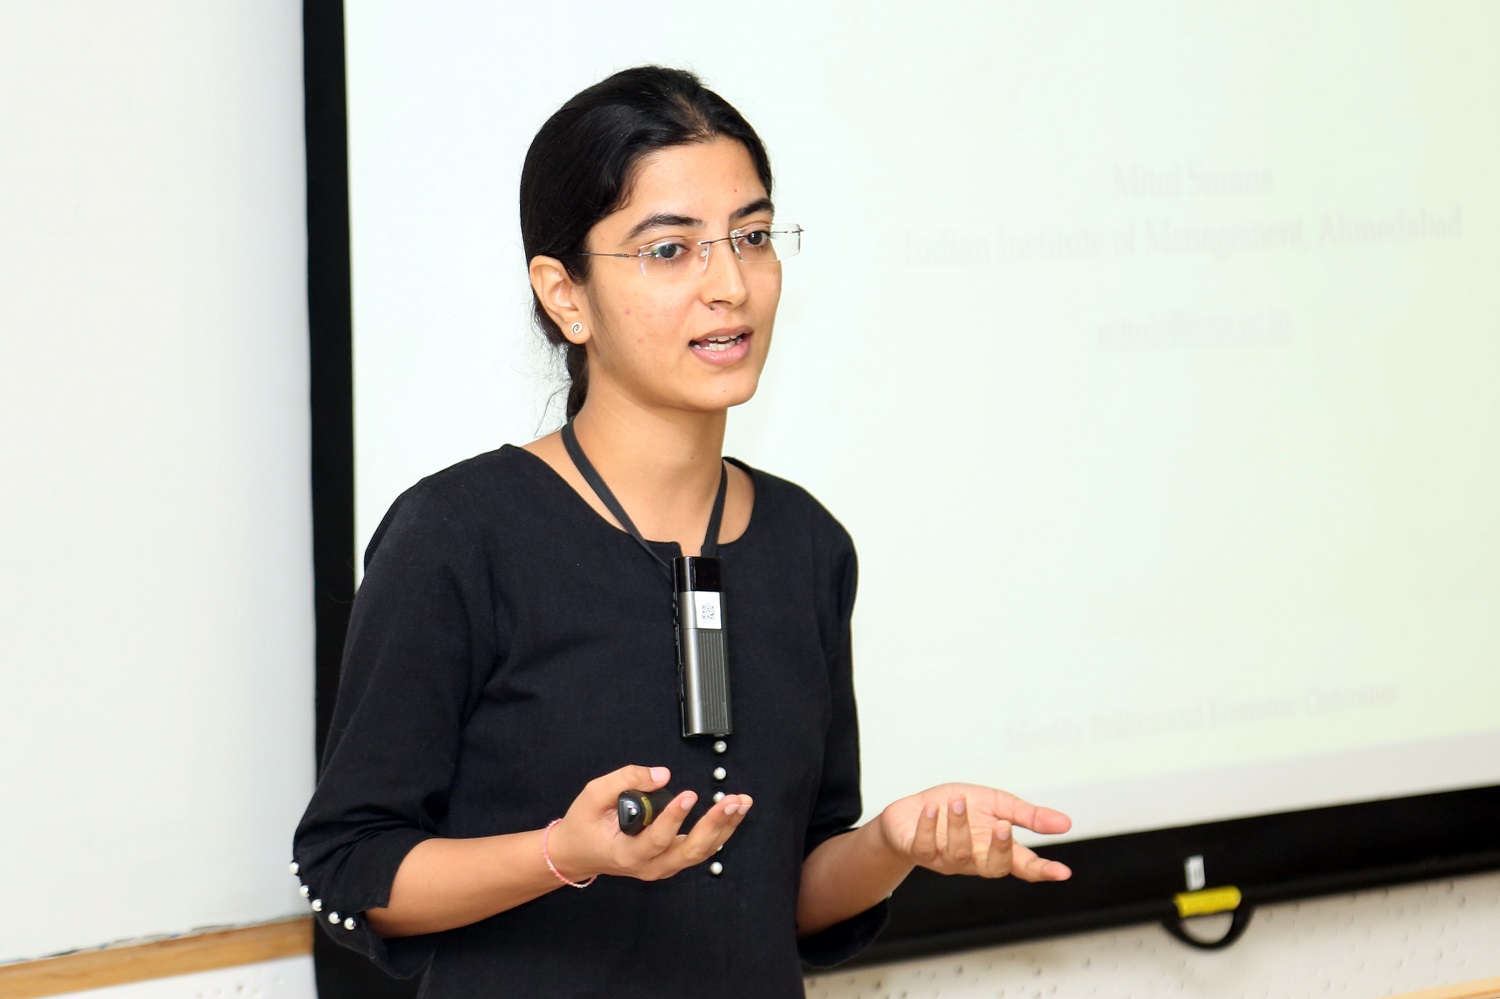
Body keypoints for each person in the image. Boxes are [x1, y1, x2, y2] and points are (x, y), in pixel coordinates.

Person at [292, 66, 1072, 998]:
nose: (731, 284)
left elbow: (784, 897)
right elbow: (351, 868)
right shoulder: (459, 535)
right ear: (564, 294)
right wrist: (561, 852)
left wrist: (889, 843)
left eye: (751, 236)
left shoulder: (806, 545)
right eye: (670, 250)